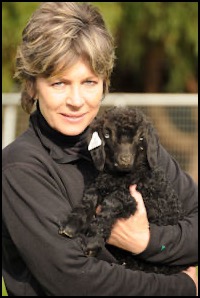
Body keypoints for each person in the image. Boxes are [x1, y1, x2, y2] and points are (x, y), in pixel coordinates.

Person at [2, 2, 198, 296]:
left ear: (104, 82)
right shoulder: (22, 168)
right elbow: (73, 279)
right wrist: (180, 287)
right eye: (59, 83)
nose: (76, 100)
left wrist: (147, 240)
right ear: (32, 86)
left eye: (89, 82)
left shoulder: (137, 147)